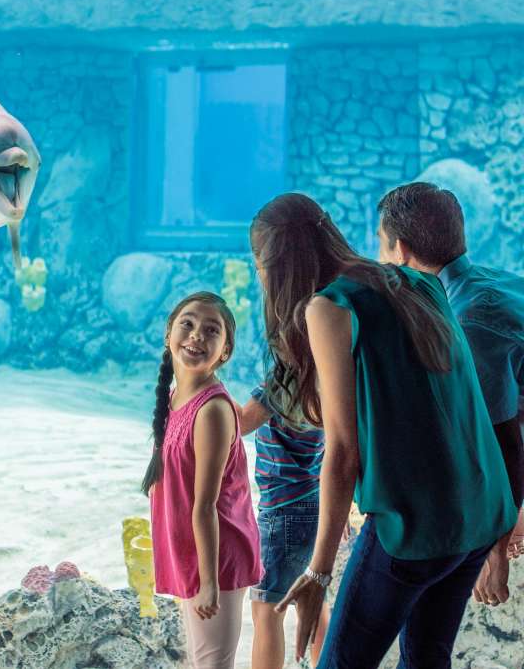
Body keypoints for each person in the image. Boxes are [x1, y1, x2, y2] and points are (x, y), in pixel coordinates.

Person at [249, 193, 517, 669]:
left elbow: (342, 451)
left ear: (272, 262)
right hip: (481, 514)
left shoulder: (328, 309)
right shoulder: (419, 282)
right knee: (427, 659)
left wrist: (319, 572)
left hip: (414, 527)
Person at [377, 182, 524, 604]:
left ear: (401, 250)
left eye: (381, 244)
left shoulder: (468, 319)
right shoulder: (487, 285)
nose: (379, 258)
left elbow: (504, 441)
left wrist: (494, 552)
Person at [143, 291, 261, 669]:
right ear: (169, 334)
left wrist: (209, 582)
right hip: (192, 553)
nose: (197, 335)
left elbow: (206, 505)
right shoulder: (175, 397)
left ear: (225, 352)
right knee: (200, 661)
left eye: (212, 330)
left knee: (212, 664)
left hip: (216, 558)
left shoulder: (212, 410)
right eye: (188, 323)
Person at [240, 378, 329, 669]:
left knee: (267, 610)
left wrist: (204, 389)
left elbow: (240, 424)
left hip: (282, 509)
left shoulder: (282, 383)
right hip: (314, 502)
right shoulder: (326, 382)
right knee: (313, 597)